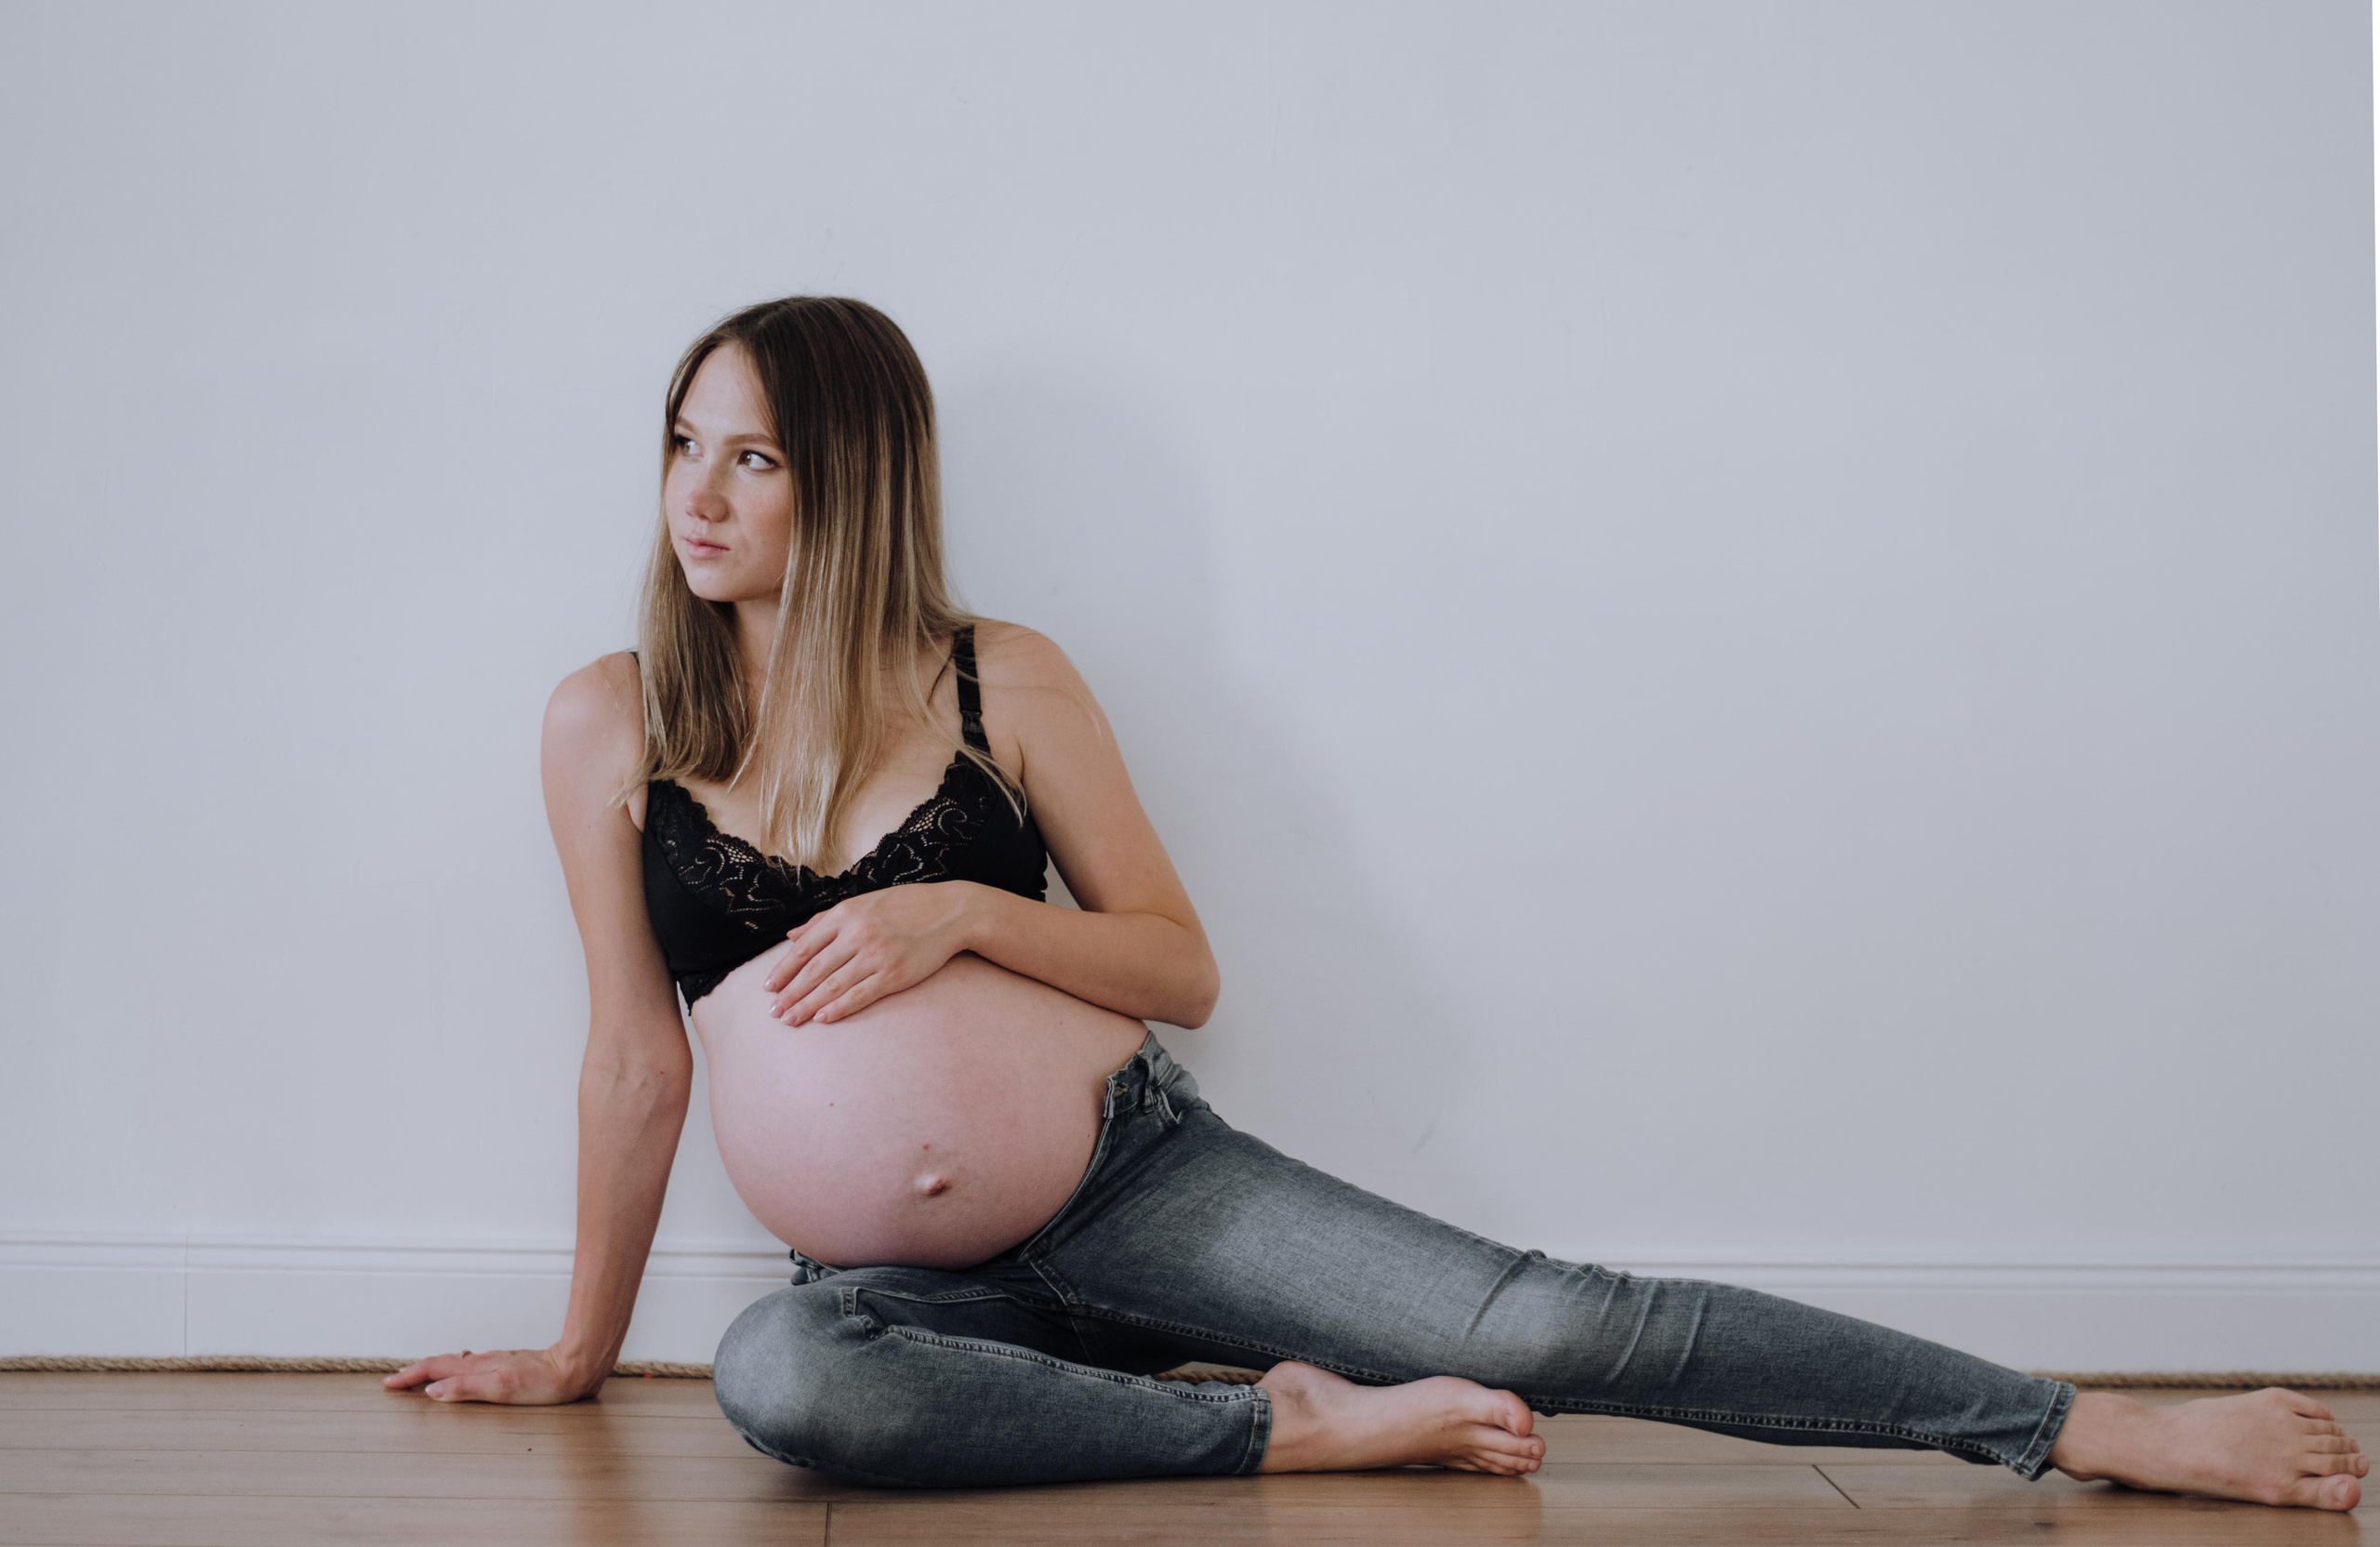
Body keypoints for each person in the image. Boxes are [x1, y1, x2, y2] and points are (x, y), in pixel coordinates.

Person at [388, 296, 2365, 1509]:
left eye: (752, 451)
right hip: (902, 1291)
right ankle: (1297, 1429)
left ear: (855, 481)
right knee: (780, 1379)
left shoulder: (999, 674)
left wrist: (961, 920)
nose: (696, 491)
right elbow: (634, 1059)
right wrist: (575, 1350)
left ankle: (2088, 1422)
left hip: (1139, 1183)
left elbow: (1176, 961)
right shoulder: (612, 722)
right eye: (680, 440)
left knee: (1560, 1318)